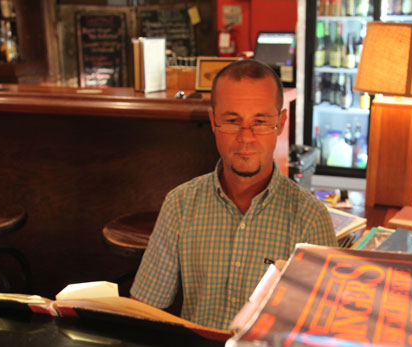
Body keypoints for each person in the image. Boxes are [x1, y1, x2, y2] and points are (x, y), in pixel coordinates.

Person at [130, 59, 337, 330]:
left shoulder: (310, 219)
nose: (246, 137)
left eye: (260, 122)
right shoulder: (180, 204)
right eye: (232, 121)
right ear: (214, 121)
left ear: (281, 122)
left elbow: (322, 330)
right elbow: (144, 309)